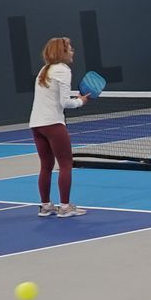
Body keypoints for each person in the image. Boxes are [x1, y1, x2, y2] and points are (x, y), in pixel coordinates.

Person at [30, 36, 98, 215]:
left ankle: (45, 206)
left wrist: (75, 97)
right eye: (70, 48)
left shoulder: (44, 70)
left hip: (36, 125)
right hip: (53, 124)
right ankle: (65, 208)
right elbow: (64, 102)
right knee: (66, 165)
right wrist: (81, 102)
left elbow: (54, 96)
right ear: (63, 52)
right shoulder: (63, 70)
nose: (73, 51)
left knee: (46, 166)